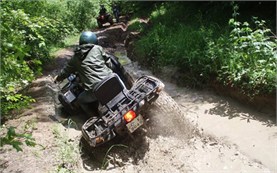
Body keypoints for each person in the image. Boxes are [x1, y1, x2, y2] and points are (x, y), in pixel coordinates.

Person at [54, 31, 113, 116]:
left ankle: (94, 117)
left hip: (95, 91)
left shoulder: (75, 58)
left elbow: (65, 72)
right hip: (111, 81)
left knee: (80, 100)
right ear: (94, 40)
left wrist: (57, 78)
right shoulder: (98, 48)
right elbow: (109, 63)